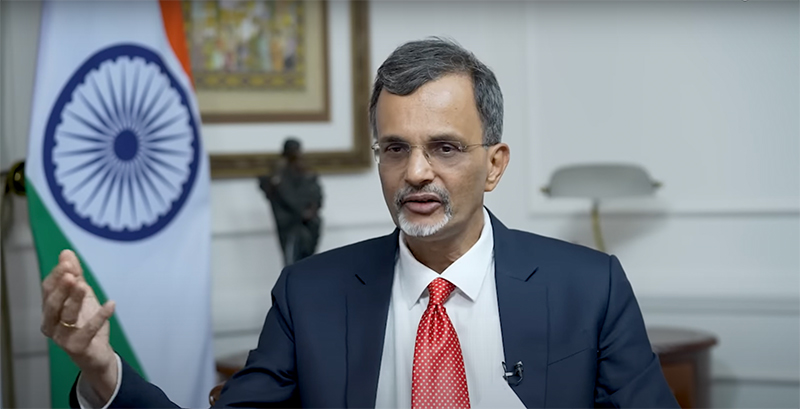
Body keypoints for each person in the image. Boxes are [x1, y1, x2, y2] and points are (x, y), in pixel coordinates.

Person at [41, 38, 679, 408]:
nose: (416, 173)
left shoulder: (588, 287)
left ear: (494, 165)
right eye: (395, 148)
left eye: (445, 148)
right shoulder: (310, 294)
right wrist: (102, 370)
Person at [258, 138, 323, 265]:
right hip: (289, 222)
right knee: (292, 256)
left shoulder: (306, 173)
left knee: (308, 255)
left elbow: (316, 194)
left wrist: (311, 209)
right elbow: (271, 188)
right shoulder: (279, 172)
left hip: (308, 221)